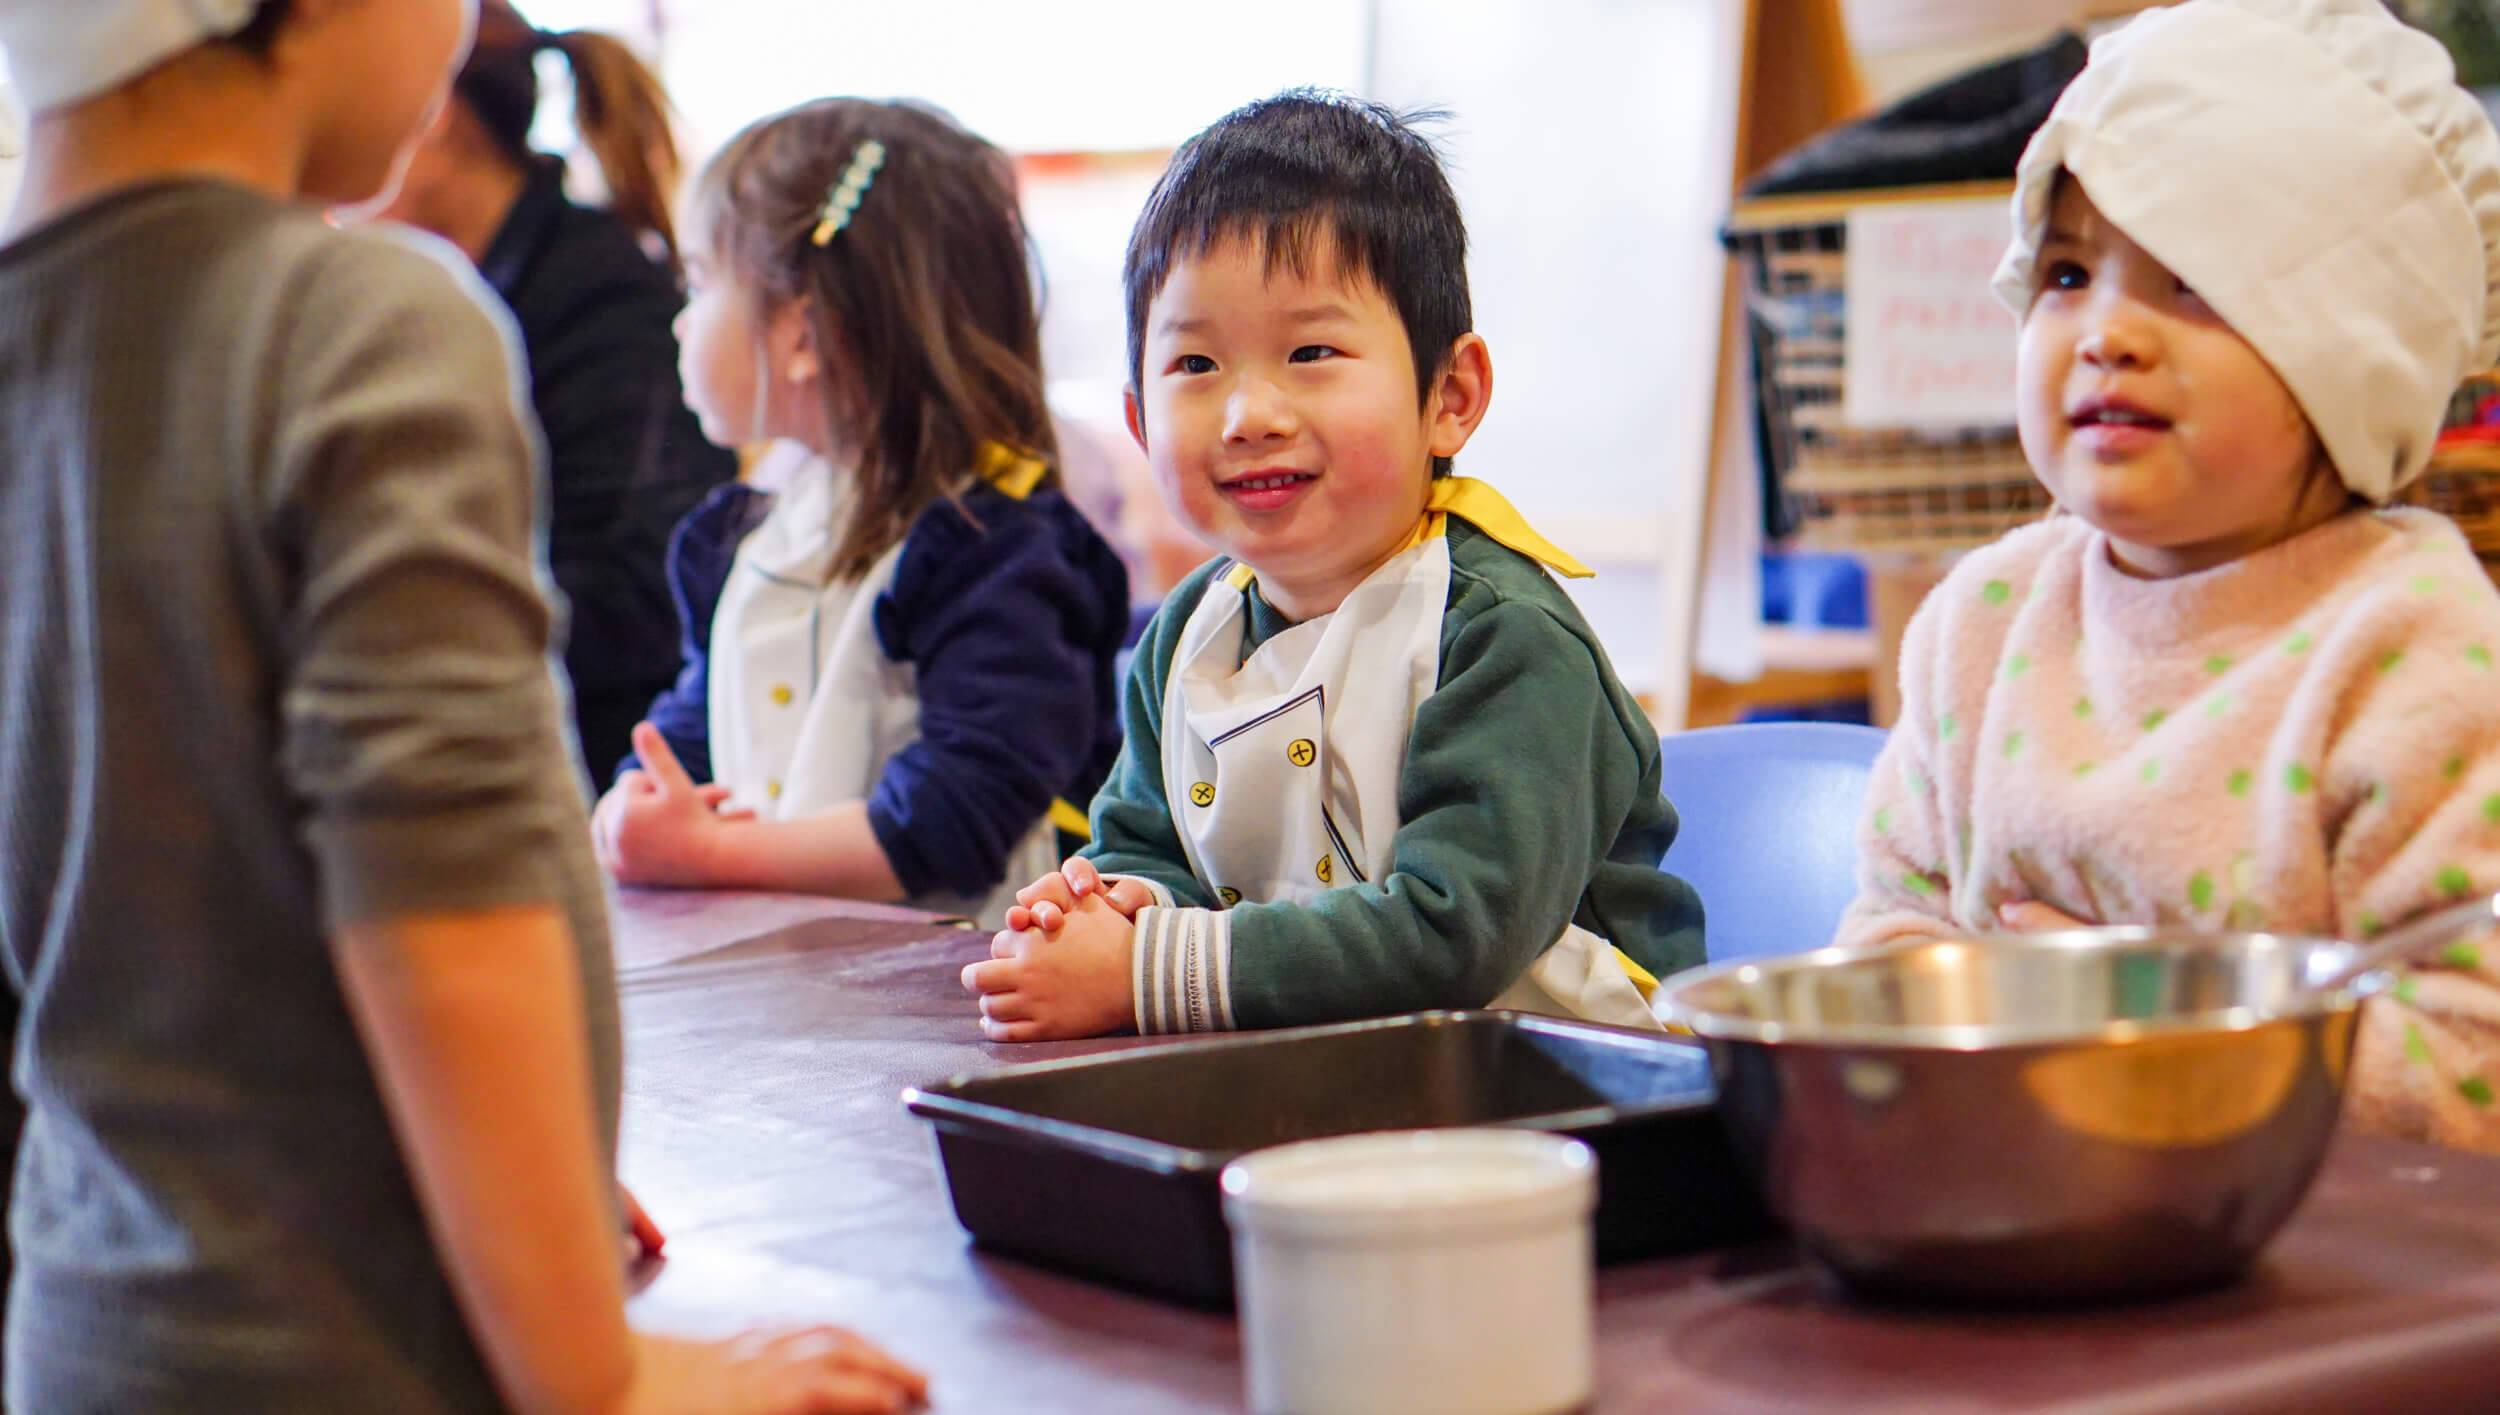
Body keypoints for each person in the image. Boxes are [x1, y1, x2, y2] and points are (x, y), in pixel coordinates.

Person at [0, 1, 925, 1407]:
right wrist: (597, 1370)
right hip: (361, 1355)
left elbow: (162, 922)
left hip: (91, 1333)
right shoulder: (354, 324)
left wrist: (505, 1166)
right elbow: (439, 913)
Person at [1837, 0, 2500, 1153]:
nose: (2104, 333)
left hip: (2324, 1279)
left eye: (2189, 281)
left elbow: (2469, 1061)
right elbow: (1889, 938)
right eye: (2064, 272)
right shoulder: (1982, 624)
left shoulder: (2414, 648)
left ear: (2358, 353)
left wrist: (2144, 1032)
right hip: (2014, 1210)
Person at [964, 91, 1704, 1041]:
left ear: (1450, 395)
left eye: (1310, 351)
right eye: (1195, 365)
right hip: (1328, 1081)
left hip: (1571, 1092)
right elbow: (1149, 845)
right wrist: (1109, 908)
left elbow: (1454, 932)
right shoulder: (1187, 636)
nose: (1249, 416)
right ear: (1139, 421)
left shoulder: (1500, 633)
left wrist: (1147, 970)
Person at [592, 98, 1128, 928]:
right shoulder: (750, 531)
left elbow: (954, 818)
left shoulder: (995, 547)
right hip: (793, 998)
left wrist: (711, 855)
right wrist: (638, 799)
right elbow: (696, 728)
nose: (680, 319)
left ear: (804, 334)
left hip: (950, 1007)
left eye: (698, 282)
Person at [379, 0, 734, 782]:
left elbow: (645, 591)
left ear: (433, 110)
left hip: (612, 778)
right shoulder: (457, 289)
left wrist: (404, 626)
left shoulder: (601, 299)